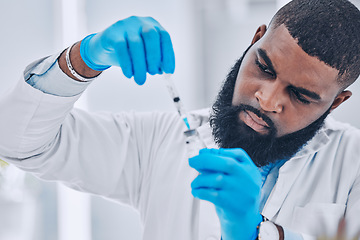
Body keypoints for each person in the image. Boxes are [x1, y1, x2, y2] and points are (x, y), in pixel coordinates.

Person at [0, 0, 360, 239]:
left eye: (300, 95)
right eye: (263, 68)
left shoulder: (353, 165)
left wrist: (254, 231)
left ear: (336, 102)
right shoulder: (159, 140)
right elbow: (20, 143)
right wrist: (84, 57)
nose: (267, 99)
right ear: (254, 40)